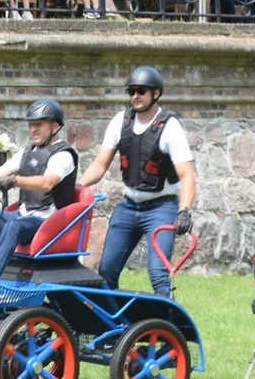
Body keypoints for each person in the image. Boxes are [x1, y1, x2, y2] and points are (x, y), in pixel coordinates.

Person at [78, 66, 196, 297]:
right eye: (132, 91)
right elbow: (100, 164)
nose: (135, 96)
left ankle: (168, 328)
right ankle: (116, 327)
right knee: (106, 270)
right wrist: (78, 186)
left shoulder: (169, 127)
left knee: (158, 273)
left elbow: (187, 175)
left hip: (161, 207)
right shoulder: (121, 121)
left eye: (141, 91)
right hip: (128, 206)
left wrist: (184, 212)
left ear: (156, 93)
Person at [0, 99, 78, 279]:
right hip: (21, 216)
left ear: (55, 126)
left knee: (13, 226)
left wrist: (15, 181)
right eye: (31, 125)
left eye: (39, 124)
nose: (33, 129)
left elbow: (47, 182)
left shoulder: (63, 155)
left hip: (45, 221)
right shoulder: (28, 152)